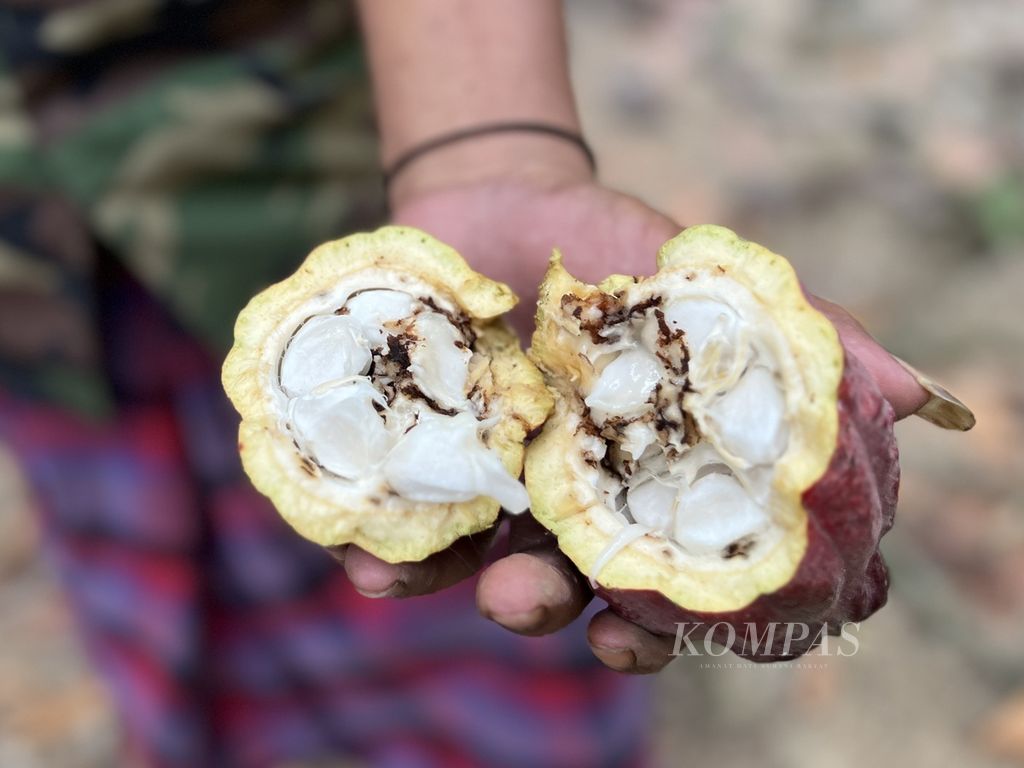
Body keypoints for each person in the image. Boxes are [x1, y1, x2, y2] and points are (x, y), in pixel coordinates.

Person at [0, 1, 934, 765]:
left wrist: (487, 148)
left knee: (474, 654)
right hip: (33, 310)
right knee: (168, 622)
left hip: (292, 154)